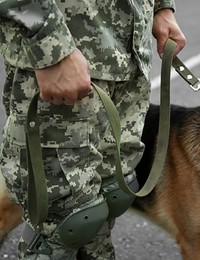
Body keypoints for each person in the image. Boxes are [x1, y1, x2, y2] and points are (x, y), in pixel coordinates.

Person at [0, 0, 180, 257]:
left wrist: (161, 7)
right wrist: (51, 46)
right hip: (67, 53)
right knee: (66, 220)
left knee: (108, 199)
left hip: (127, 55)